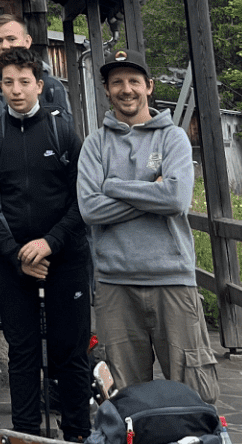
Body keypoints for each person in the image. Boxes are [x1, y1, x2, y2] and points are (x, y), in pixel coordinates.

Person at [77, 49, 219, 402]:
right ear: (106, 90)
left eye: (134, 81)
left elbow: (174, 199)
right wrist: (149, 193)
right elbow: (90, 209)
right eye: (117, 82)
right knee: (124, 395)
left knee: (191, 390)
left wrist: (114, 186)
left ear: (149, 87)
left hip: (171, 279)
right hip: (115, 284)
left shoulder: (172, 138)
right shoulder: (95, 145)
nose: (126, 89)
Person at [0, 48, 91, 442]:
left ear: (40, 85)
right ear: (0, 87)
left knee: (68, 353)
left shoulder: (63, 131)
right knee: (22, 355)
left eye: (24, 82)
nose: (16, 90)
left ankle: (78, 442)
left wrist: (49, 243)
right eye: (8, 83)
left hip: (64, 256)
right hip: (12, 260)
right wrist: (16, 253)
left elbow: (82, 198)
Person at [0, 14, 72, 121]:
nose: (4, 46)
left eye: (11, 39)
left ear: (27, 41)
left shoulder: (51, 86)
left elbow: (64, 131)